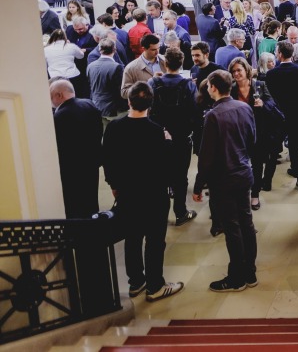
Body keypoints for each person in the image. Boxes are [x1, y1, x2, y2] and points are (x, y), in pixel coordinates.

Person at [102, 82, 184, 302]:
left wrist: (114, 186)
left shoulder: (114, 128)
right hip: (154, 194)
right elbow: (167, 167)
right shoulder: (157, 132)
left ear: (128, 102)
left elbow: (108, 161)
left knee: (132, 237)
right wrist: (168, 144)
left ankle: (136, 281)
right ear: (151, 103)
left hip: (127, 193)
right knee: (155, 240)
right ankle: (155, 285)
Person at [193, 70, 258, 292]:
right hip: (243, 171)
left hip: (224, 178)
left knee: (232, 227)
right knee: (247, 223)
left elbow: (206, 155)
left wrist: (198, 184)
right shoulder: (244, 107)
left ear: (213, 87)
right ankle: (250, 272)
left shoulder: (213, 115)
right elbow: (252, 140)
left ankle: (236, 278)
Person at [147, 48, 199, 226]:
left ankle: (159, 214)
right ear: (181, 64)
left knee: (159, 174)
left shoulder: (153, 83)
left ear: (165, 63)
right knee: (181, 175)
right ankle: (180, 212)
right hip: (182, 135)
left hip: (158, 135)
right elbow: (194, 110)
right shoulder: (188, 85)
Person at [229, 56, 283, 206]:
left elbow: (272, 103)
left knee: (257, 164)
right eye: (233, 71)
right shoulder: (231, 89)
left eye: (239, 70)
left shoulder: (260, 85)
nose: (236, 74)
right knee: (238, 165)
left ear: (246, 70)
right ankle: (241, 193)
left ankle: (255, 194)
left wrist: (263, 103)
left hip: (258, 132)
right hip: (237, 133)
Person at [265, 41, 298, 191]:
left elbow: (270, 97)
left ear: (280, 54)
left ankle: (267, 181)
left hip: (277, 116)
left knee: (273, 149)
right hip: (297, 115)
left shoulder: (271, 73)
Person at [50, 79, 103, 218]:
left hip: (71, 169)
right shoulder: (89, 104)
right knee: (91, 196)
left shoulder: (59, 116)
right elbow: (99, 131)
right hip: (92, 162)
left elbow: (59, 146)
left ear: (59, 95)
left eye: (51, 96)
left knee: (75, 204)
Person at [87, 38, 128, 125]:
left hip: (97, 106)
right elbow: (120, 89)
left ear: (99, 50)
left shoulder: (90, 66)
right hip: (114, 110)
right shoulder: (117, 67)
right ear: (114, 50)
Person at [121, 34, 167, 100]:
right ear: (144, 49)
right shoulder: (131, 68)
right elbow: (124, 92)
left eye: (158, 48)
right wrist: (148, 85)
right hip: (145, 107)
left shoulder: (165, 60)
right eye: (153, 50)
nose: (157, 52)